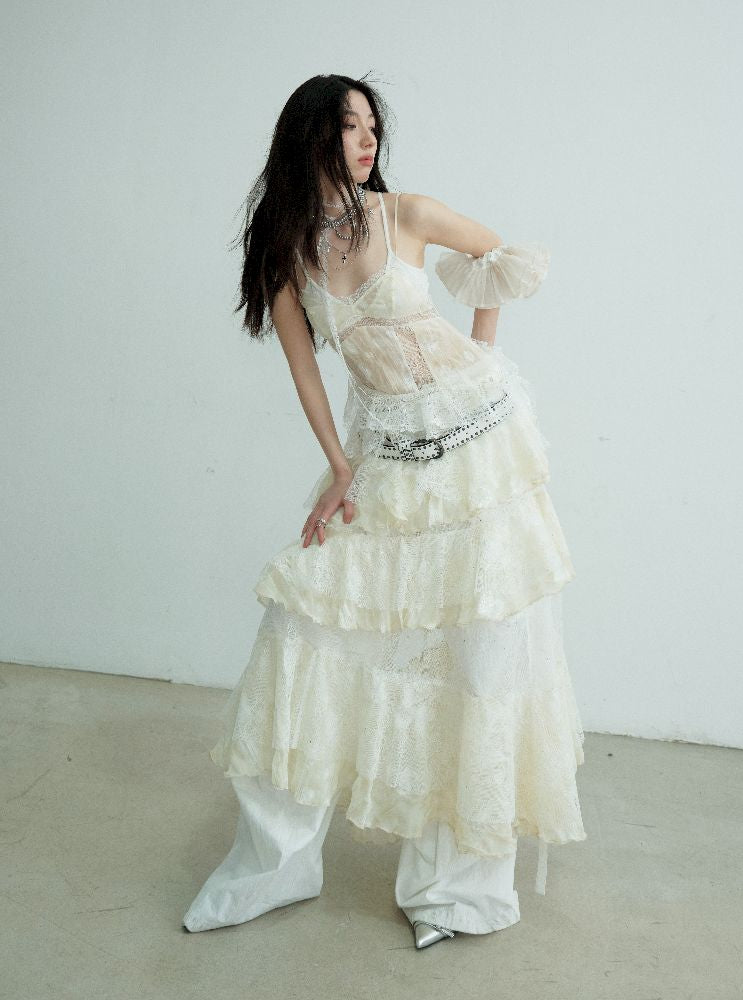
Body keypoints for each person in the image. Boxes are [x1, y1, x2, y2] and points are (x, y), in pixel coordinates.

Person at [182, 73, 586, 950]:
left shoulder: (406, 213)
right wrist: (339, 469)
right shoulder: (287, 253)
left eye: (372, 126)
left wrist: (481, 360)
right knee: (302, 634)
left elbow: (495, 259)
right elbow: (304, 370)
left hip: (478, 447)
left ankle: (455, 890)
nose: (367, 141)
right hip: (386, 457)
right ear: (309, 139)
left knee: (477, 652)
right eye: (348, 126)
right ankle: (275, 867)